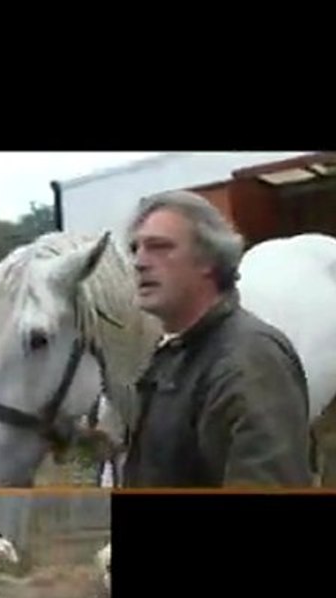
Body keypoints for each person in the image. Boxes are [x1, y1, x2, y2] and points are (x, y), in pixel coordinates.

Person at [121, 190, 313, 488]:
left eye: (160, 247)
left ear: (208, 261)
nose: (139, 262)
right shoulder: (175, 353)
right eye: (136, 249)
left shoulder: (249, 360)